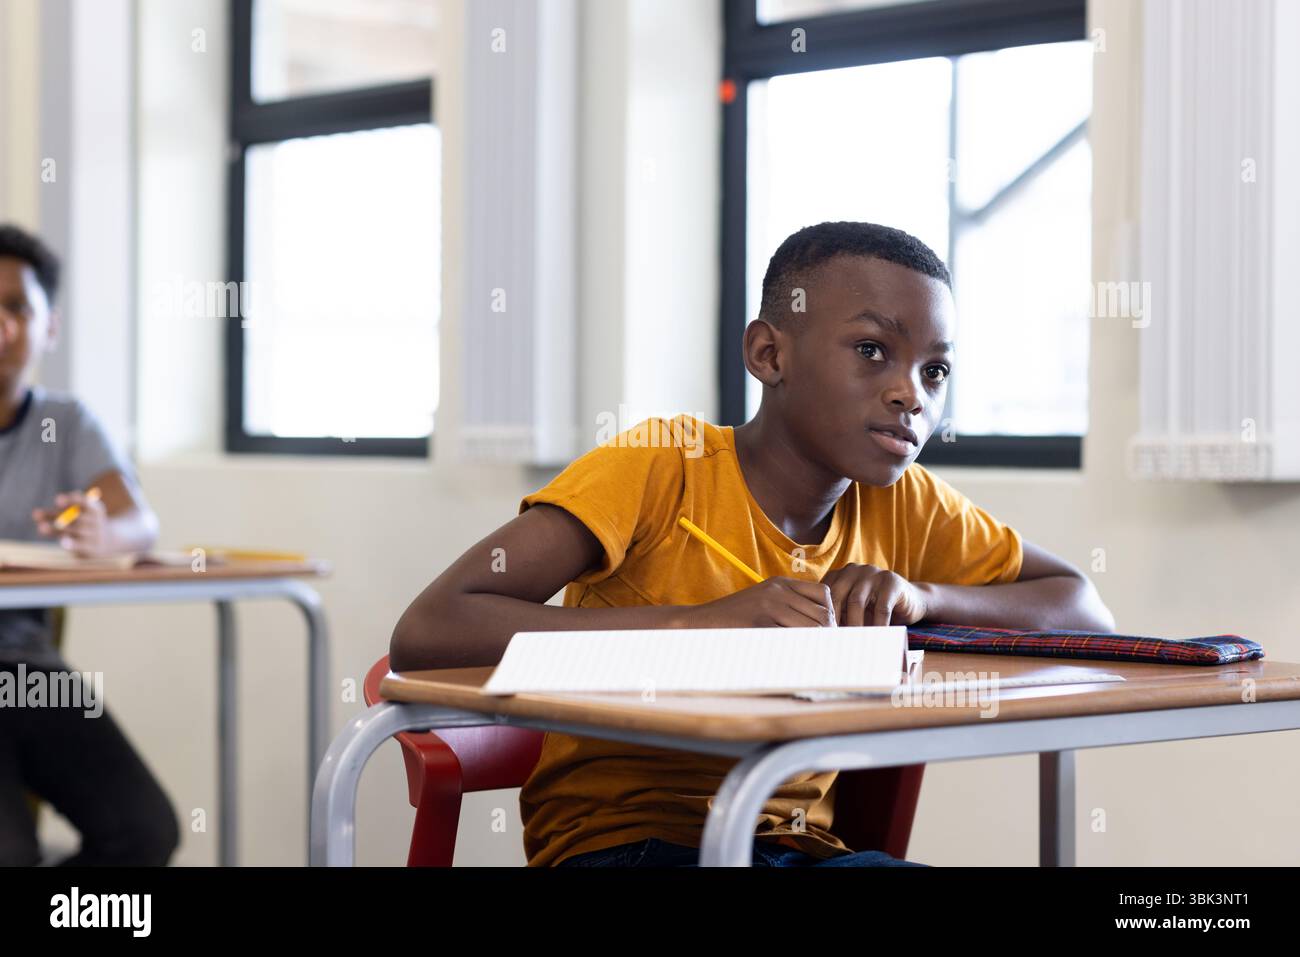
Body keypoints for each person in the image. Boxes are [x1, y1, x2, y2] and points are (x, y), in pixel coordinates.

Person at [391, 221, 1115, 867]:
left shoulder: (906, 501)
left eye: (935, 370)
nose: (910, 393)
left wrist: (926, 597)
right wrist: (698, 623)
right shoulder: (662, 464)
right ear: (770, 353)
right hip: (624, 842)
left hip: (798, 845)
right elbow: (432, 630)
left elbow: (1084, 609)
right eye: (872, 350)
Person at [0, 223, 179, 866]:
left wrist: (106, 532)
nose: (2, 326)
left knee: (145, 832)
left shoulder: (64, 424)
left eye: (17, 307)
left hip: (28, 674)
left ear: (49, 326)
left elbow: (138, 521)